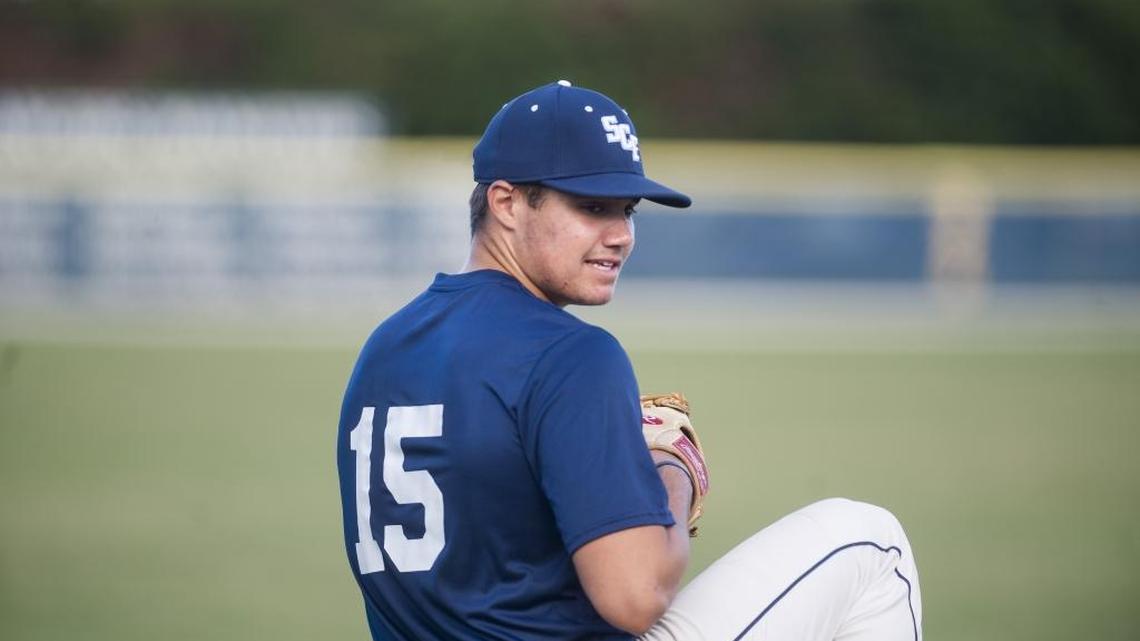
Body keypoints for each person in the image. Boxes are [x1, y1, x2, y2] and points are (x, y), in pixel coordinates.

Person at [336, 80, 923, 641]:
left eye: (629, 210)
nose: (621, 235)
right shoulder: (570, 353)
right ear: (507, 202)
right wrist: (674, 468)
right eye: (592, 206)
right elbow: (634, 597)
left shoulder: (384, 348)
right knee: (871, 544)